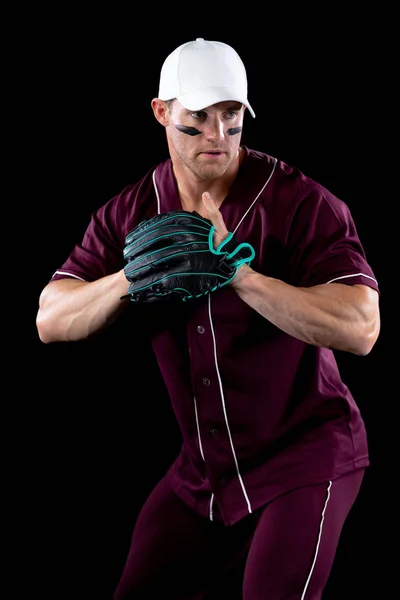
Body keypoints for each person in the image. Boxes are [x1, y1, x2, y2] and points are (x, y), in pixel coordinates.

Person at [36, 37, 380, 600]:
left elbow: (362, 327)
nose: (218, 136)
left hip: (308, 454)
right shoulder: (132, 211)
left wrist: (238, 275)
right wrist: (133, 276)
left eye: (232, 118)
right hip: (205, 472)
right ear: (162, 112)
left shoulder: (301, 203)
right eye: (199, 117)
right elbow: (51, 318)